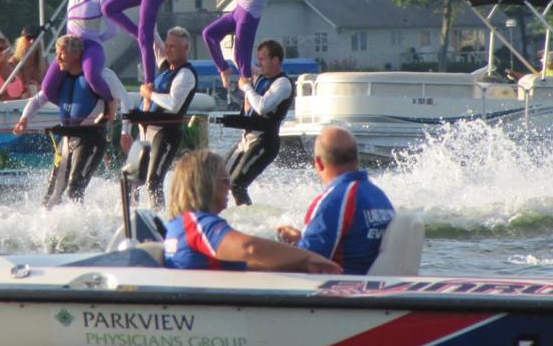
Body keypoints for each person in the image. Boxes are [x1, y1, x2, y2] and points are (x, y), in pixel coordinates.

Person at [162, 150, 341, 273]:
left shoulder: (179, 225)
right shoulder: (199, 225)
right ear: (205, 185)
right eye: (225, 181)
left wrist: (295, 257)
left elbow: (246, 263)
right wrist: (310, 258)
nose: (230, 186)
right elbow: (249, 249)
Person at [14, 35, 124, 207]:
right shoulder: (62, 80)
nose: (57, 60)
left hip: (91, 140)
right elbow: (37, 100)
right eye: (56, 54)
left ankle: (84, 230)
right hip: (67, 141)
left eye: (61, 54)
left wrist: (124, 130)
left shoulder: (103, 75)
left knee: (75, 189)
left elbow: (125, 99)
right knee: (51, 195)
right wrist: (24, 119)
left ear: (76, 55)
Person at [277, 127, 395, 274]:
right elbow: (353, 242)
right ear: (356, 159)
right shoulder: (378, 196)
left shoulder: (335, 200)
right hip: (373, 288)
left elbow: (307, 262)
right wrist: (301, 240)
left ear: (319, 163)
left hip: (341, 290)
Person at [124, 26, 198, 209]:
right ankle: (133, 216)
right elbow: (151, 35)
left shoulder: (186, 74)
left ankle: (160, 219)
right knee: (132, 180)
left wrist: (149, 95)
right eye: (167, 45)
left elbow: (174, 105)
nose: (168, 49)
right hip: (146, 132)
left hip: (165, 135)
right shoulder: (165, 66)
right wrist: (148, 10)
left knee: (152, 182)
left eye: (173, 46)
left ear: (185, 48)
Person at [223, 39, 294, 205]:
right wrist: (238, 34)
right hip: (246, 139)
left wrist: (247, 87)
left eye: (262, 59)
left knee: (237, 184)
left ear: (275, 60)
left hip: (265, 142)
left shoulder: (283, 84)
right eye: (258, 59)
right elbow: (238, 59)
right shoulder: (259, 76)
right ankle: (221, 217)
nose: (259, 63)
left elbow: (262, 107)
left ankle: (250, 222)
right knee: (219, 179)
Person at [12, 26, 47, 97]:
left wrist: (38, 86)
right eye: (28, 38)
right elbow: (15, 87)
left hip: (39, 100)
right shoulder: (14, 61)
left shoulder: (44, 61)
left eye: (36, 38)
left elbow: (50, 83)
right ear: (21, 41)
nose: (32, 41)